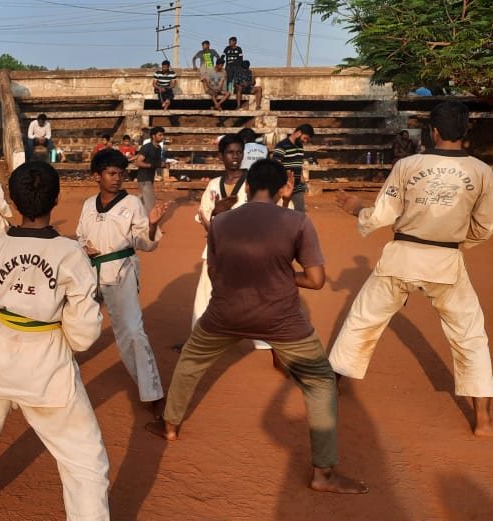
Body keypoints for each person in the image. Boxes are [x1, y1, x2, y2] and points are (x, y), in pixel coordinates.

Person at [148, 159, 369, 495]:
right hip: (281, 318)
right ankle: (323, 473)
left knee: (190, 362)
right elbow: (316, 280)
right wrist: (282, 276)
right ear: (283, 188)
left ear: (248, 187)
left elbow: (215, 273)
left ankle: (169, 425)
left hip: (225, 313)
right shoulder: (298, 221)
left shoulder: (221, 222)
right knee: (321, 382)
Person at [0, 159, 110, 520]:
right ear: (56, 199)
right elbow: (84, 335)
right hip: (47, 366)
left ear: (13, 201)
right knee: (85, 459)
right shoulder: (71, 254)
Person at [330, 101, 493, 437]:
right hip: (446, 262)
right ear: (465, 130)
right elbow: (484, 227)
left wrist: (358, 209)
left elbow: (382, 214)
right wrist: (454, 243)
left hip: (401, 256)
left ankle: (329, 387)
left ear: (433, 131)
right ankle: (483, 421)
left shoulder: (408, 165)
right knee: (470, 337)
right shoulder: (483, 172)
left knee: (362, 320)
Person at [77, 149, 169, 418]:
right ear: (97, 176)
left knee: (131, 331)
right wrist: (84, 247)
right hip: (90, 271)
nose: (117, 178)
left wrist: (151, 225)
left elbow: (145, 243)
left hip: (121, 270)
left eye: (121, 173)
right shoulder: (88, 204)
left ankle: (152, 391)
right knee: (71, 322)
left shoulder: (132, 204)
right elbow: (81, 235)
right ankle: (54, 377)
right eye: (111, 173)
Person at [191, 135, 272, 351]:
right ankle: (198, 339)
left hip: (247, 251)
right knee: (206, 295)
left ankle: (268, 342)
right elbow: (205, 220)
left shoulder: (253, 184)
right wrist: (217, 214)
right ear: (221, 156)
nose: (235, 157)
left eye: (238, 152)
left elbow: (264, 217)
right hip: (217, 250)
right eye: (230, 152)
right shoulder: (213, 185)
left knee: (255, 296)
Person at [273, 124, 315, 213]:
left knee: (300, 214)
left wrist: (303, 183)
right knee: (279, 213)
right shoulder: (281, 145)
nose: (305, 141)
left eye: (307, 140)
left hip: (297, 188)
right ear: (298, 132)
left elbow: (298, 165)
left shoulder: (300, 146)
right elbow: (275, 166)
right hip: (283, 187)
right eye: (305, 138)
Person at [133, 127, 166, 212]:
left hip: (149, 178)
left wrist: (162, 164)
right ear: (153, 136)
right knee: (149, 204)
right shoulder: (147, 147)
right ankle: (148, 221)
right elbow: (138, 162)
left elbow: (156, 163)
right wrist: (152, 165)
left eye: (163, 135)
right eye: (160, 135)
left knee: (140, 203)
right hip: (144, 178)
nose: (162, 137)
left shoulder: (158, 148)